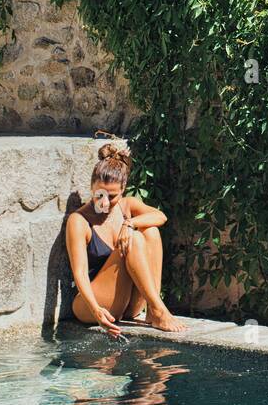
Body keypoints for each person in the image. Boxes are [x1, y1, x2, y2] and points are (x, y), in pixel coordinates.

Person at [65, 142, 186, 338]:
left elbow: (160, 217)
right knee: (135, 240)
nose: (104, 202)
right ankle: (158, 310)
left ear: (123, 190)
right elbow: (79, 273)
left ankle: (153, 310)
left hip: (127, 305)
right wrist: (95, 309)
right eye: (99, 195)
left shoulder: (127, 206)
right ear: (91, 187)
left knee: (150, 232)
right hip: (92, 306)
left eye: (112, 196)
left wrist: (129, 223)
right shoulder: (78, 221)